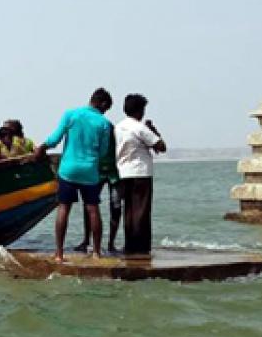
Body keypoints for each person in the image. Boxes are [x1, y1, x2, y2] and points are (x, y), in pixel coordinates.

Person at [34, 88, 114, 261]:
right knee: (93, 209)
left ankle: (59, 253)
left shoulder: (71, 115)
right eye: (106, 109)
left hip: (68, 169)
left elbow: (54, 139)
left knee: (64, 208)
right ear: (103, 104)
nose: (105, 112)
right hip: (90, 171)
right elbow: (104, 150)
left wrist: (41, 148)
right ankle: (97, 253)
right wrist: (91, 160)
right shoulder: (104, 123)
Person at [114, 93, 166, 255]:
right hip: (141, 173)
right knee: (142, 211)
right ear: (139, 110)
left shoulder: (118, 127)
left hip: (123, 172)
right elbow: (161, 146)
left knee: (129, 210)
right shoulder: (140, 127)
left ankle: (129, 244)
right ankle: (141, 246)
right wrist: (153, 129)